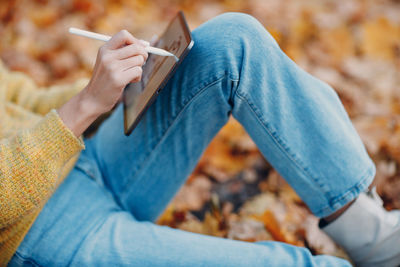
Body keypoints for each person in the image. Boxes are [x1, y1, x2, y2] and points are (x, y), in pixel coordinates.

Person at [1, 12, 399, 266]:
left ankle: (366, 230)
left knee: (231, 41)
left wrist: (115, 85)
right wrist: (85, 104)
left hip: (88, 157)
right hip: (41, 233)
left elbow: (23, 101)